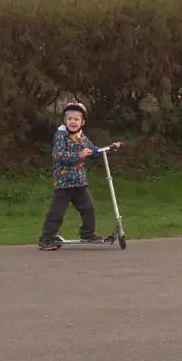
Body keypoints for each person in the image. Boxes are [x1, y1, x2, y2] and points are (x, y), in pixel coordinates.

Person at [38, 101, 121, 250]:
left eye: (76, 119)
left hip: (79, 183)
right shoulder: (61, 136)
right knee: (56, 213)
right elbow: (59, 155)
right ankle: (46, 239)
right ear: (65, 121)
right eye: (70, 119)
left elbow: (94, 151)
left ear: (82, 122)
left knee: (88, 209)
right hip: (64, 184)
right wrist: (79, 155)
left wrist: (110, 148)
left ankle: (87, 234)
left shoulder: (82, 138)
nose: (73, 122)